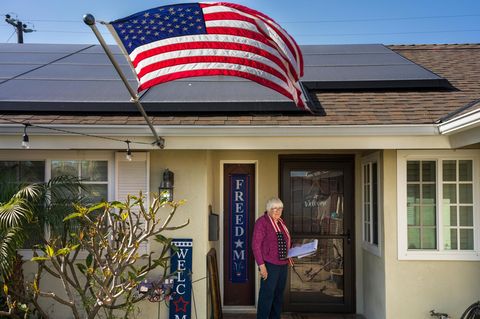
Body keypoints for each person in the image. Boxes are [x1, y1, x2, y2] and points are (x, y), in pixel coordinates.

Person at [252, 197, 292, 319]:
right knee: (267, 296)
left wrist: (292, 253)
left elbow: (285, 241)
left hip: (283, 265)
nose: (277, 211)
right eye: (274, 208)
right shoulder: (262, 222)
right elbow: (255, 245)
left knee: (278, 296)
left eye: (280, 208)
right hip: (269, 265)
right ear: (268, 209)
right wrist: (261, 266)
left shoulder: (281, 222)